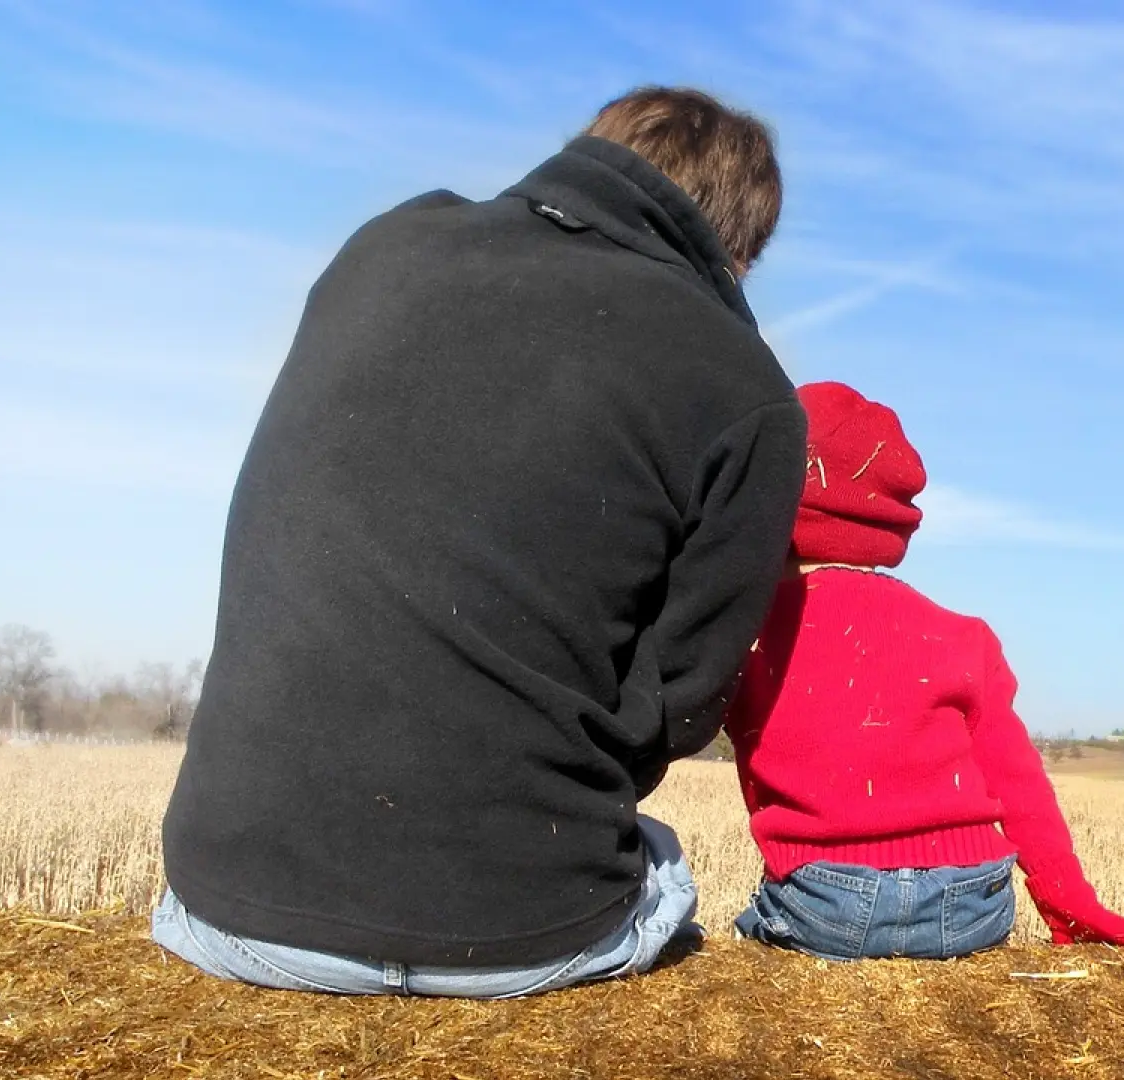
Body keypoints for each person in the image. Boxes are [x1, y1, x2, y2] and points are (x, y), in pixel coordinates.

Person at [154, 87, 807, 997]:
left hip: (221, 906)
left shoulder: (384, 245)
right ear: (736, 252)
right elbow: (681, 704)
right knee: (663, 864)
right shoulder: (750, 392)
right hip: (518, 932)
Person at [723, 382, 1124, 960]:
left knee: (734, 933)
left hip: (828, 900)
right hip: (976, 899)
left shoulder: (749, 634)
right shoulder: (963, 636)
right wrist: (1067, 898)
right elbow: (1017, 780)